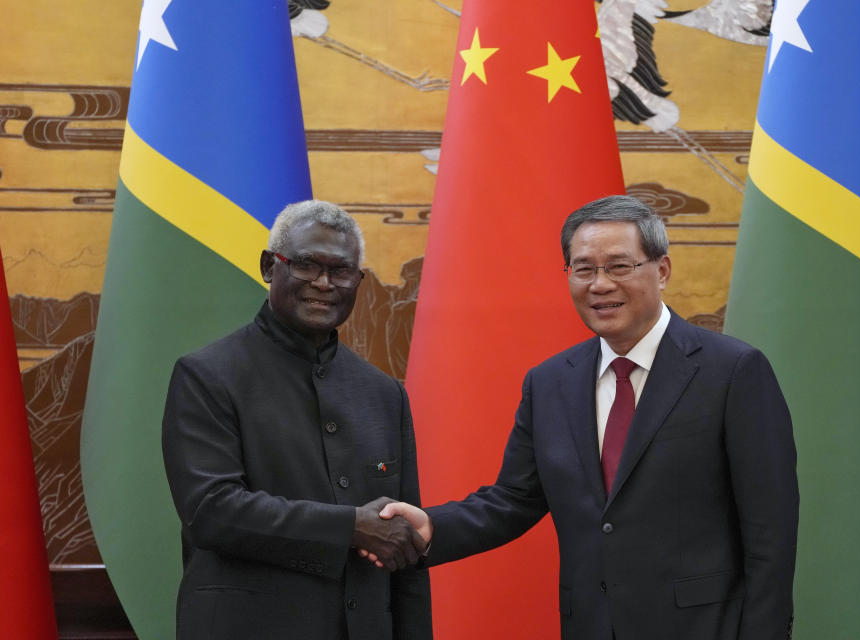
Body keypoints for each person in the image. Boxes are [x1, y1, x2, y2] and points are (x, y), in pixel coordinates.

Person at [374, 195, 799, 639]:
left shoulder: (732, 371)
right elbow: (513, 500)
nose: (600, 285)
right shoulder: (551, 382)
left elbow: (770, 531)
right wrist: (432, 527)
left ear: (663, 270)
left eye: (619, 267)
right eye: (583, 269)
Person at [161, 200, 431, 640]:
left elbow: (403, 544)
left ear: (358, 281)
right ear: (270, 266)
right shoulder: (207, 375)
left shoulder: (384, 394)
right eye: (306, 265)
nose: (324, 284)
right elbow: (212, 511)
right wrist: (350, 527)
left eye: (341, 271)